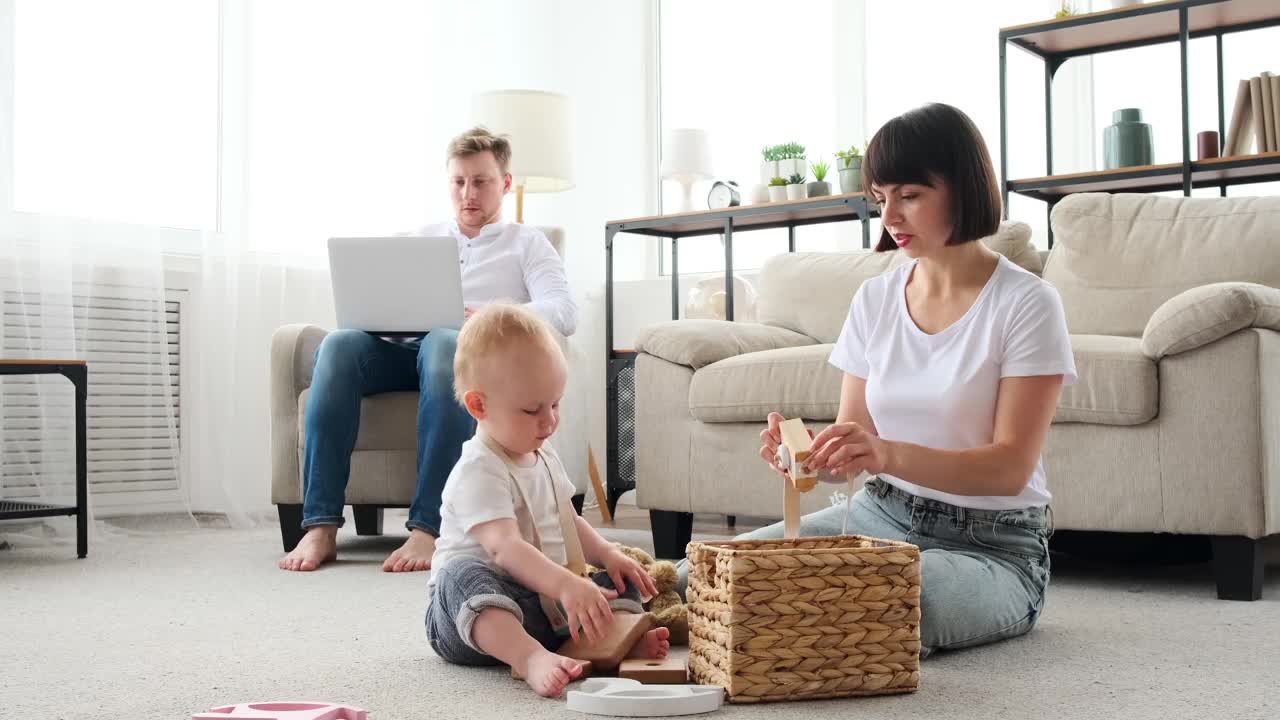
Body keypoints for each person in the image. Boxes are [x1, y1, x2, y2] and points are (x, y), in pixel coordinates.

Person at [680, 103, 1077, 657]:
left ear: (962, 187)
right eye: (880, 197)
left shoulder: (1027, 303)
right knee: (700, 575)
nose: (890, 215)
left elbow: (1010, 467)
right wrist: (808, 457)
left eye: (910, 195)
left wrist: (885, 454)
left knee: (884, 604)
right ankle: (543, 611)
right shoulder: (875, 298)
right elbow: (855, 436)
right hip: (880, 514)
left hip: (993, 546)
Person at [280, 127, 578, 573]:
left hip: (456, 354)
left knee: (445, 340)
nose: (468, 193)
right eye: (459, 182)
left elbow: (564, 311)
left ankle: (427, 529)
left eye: (480, 181)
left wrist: (486, 316)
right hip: (397, 348)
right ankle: (321, 526)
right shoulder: (422, 236)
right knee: (338, 344)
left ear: (506, 183)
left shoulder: (527, 242)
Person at [425, 304, 669, 698]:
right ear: (478, 406)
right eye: (531, 409)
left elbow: (568, 519)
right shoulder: (479, 468)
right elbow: (505, 550)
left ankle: (614, 643)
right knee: (459, 573)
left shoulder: (543, 451)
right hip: (475, 621)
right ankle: (528, 657)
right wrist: (566, 586)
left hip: (545, 607)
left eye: (555, 404)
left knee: (613, 580)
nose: (549, 421)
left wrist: (607, 554)